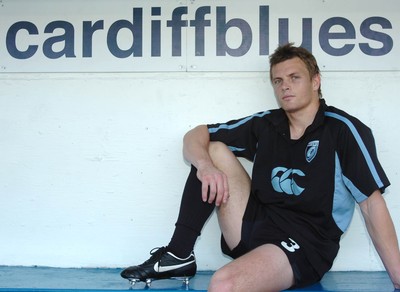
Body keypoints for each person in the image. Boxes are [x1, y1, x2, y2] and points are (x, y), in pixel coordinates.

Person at [121, 43, 400, 291]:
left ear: (316, 81)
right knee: (213, 149)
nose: (285, 86)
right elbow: (195, 134)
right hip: (256, 226)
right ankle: (179, 255)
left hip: (306, 244)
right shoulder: (268, 124)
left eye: (294, 78)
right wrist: (205, 166)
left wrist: (398, 279)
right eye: (277, 81)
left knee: (223, 284)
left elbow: (371, 205)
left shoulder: (343, 130)